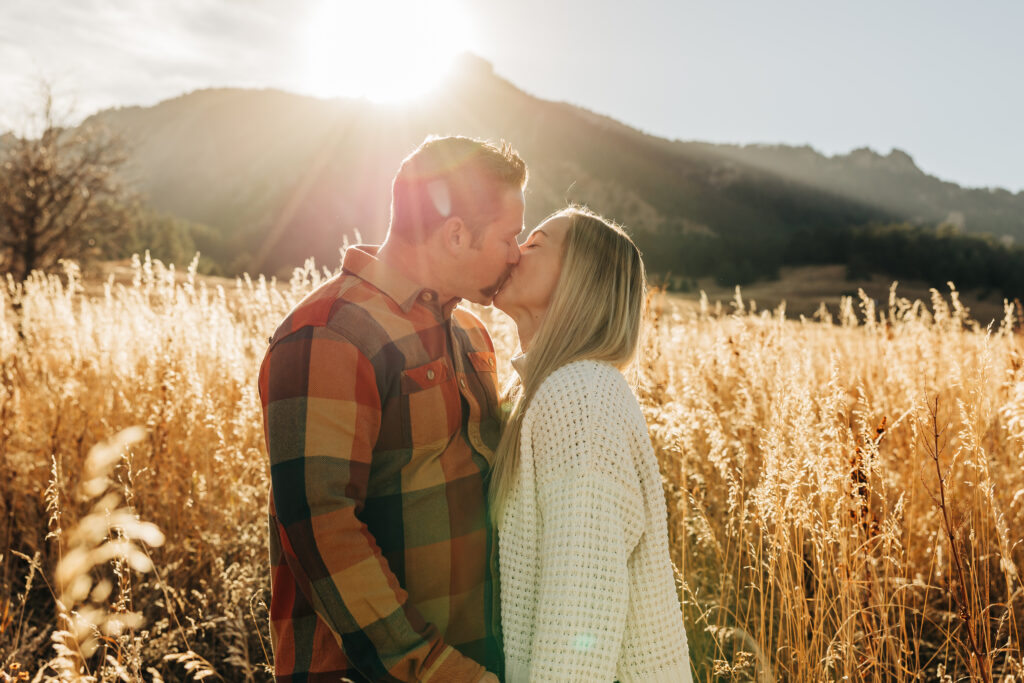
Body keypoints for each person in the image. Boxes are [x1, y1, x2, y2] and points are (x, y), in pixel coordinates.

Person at [258, 136, 527, 682]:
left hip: (476, 657)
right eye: (509, 236)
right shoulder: (330, 332)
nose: (517, 253)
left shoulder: (472, 334)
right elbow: (323, 529)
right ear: (456, 234)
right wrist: (436, 671)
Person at [489, 207, 693, 682]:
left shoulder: (582, 395)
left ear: (580, 279)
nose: (514, 252)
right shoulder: (536, 390)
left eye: (534, 244)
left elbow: (581, 611)